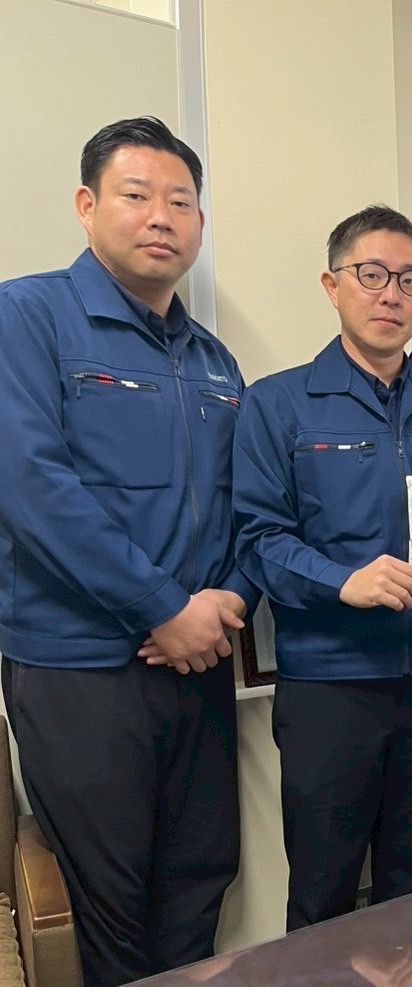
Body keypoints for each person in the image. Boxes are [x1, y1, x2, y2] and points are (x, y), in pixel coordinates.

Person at [0, 116, 252, 986]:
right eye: (136, 195)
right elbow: (32, 488)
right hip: (82, 669)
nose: (160, 217)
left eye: (180, 202)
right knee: (112, 906)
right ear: (86, 205)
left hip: (199, 663)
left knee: (199, 882)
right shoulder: (25, 315)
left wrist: (226, 601)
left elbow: (248, 505)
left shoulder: (215, 360)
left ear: (199, 222)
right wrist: (162, 606)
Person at [232, 205, 412, 929]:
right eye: (372, 275)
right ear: (332, 285)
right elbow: (258, 538)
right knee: (323, 889)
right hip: (329, 686)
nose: (391, 294)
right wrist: (344, 580)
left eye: (410, 279)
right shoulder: (278, 403)